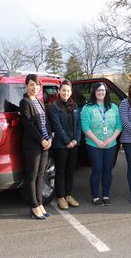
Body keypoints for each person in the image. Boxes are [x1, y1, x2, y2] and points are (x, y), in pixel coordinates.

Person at [81, 82, 122, 206]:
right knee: (97, 169)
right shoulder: (87, 108)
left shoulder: (113, 107)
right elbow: (85, 126)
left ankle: (105, 195)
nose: (101, 92)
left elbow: (119, 125)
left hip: (111, 144)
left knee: (107, 170)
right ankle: (95, 196)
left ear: (106, 92)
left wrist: (111, 139)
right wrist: (97, 141)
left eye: (103, 90)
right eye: (98, 90)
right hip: (94, 144)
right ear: (94, 92)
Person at [19, 74, 52, 220]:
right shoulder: (24, 102)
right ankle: (33, 206)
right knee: (31, 176)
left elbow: (46, 121)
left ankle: (40, 204)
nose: (34, 87)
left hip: (45, 143)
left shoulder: (39, 101)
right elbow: (28, 124)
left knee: (41, 175)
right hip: (33, 145)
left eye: (37, 85)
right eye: (31, 84)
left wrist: (50, 137)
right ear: (26, 86)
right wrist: (41, 140)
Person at [49, 80, 82, 210]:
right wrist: (67, 141)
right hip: (60, 145)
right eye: (63, 90)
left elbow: (78, 125)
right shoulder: (54, 107)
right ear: (59, 91)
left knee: (70, 171)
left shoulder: (74, 106)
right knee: (61, 171)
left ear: (71, 92)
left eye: (68, 91)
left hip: (74, 144)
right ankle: (61, 197)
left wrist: (76, 140)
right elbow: (57, 126)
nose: (66, 93)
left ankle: (68, 195)